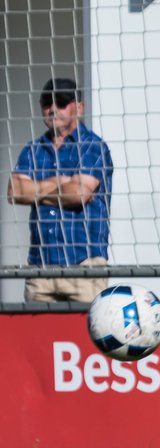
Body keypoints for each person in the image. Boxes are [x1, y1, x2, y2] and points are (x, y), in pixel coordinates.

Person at [7, 77, 113, 303]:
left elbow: (79, 194)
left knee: (84, 336)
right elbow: (15, 191)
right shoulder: (33, 150)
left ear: (80, 107)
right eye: (47, 103)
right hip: (40, 268)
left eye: (62, 102)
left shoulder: (93, 147)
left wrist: (36, 190)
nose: (53, 109)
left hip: (84, 267)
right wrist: (60, 182)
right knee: (37, 338)